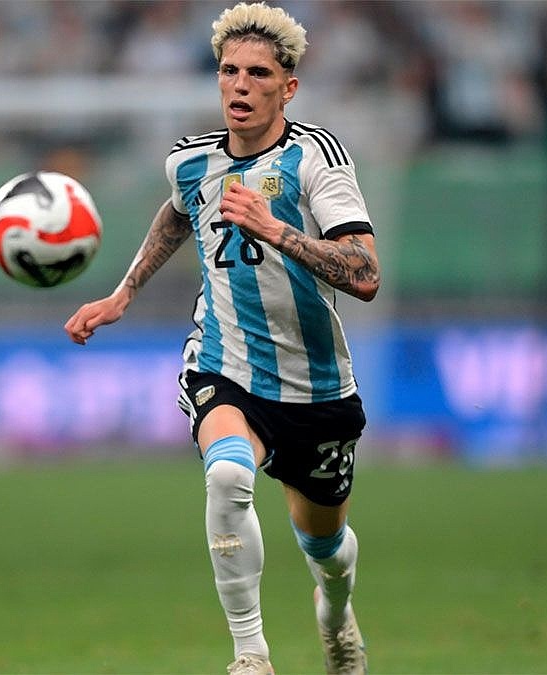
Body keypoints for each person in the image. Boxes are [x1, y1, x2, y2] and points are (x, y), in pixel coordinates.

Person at [64, 3, 379, 672]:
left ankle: (335, 612)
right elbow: (177, 215)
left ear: (288, 88)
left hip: (317, 386)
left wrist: (276, 229)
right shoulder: (191, 161)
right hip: (224, 364)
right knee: (229, 474)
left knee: (325, 546)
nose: (240, 85)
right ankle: (251, 654)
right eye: (229, 70)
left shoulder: (315, 158)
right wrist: (124, 292)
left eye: (258, 74)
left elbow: (365, 273)